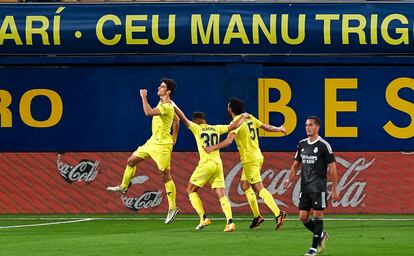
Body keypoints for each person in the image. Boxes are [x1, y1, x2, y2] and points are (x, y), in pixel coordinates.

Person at [205, 97, 287, 230]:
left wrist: (212, 147)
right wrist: (279, 128)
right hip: (257, 156)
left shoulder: (236, 123)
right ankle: (257, 216)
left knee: (259, 188)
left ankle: (279, 213)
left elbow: (228, 141)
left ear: (230, 109)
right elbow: (266, 127)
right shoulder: (249, 118)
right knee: (244, 185)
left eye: (228, 105)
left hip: (250, 159)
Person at [107, 78, 180, 224]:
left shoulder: (167, 106)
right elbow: (176, 120)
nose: (159, 87)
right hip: (152, 142)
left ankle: (172, 208)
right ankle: (123, 186)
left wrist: (143, 96)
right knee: (131, 161)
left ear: (169, 91)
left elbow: (148, 112)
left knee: (165, 175)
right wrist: (175, 137)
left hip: (162, 146)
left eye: (162, 86)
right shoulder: (166, 103)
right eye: (160, 85)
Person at [172, 102, 248, 232]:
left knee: (190, 190)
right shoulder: (216, 128)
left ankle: (203, 218)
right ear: (205, 120)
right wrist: (244, 116)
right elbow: (233, 125)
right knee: (221, 195)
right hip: (218, 164)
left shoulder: (196, 128)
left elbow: (183, 119)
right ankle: (230, 222)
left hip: (206, 163)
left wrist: (174, 106)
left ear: (197, 120)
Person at [284, 116, 339, 256]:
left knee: (318, 215)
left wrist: (334, 189)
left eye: (310, 125)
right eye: (306, 125)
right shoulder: (302, 144)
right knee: (303, 217)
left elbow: (332, 168)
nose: (307, 127)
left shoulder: (323, 145)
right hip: (305, 186)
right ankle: (321, 234)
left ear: (317, 127)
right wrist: (289, 179)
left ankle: (314, 248)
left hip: (318, 186)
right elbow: (295, 165)